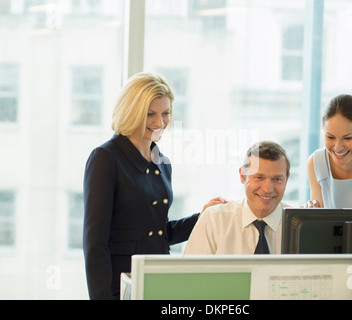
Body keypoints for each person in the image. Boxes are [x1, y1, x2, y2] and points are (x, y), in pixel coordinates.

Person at [83, 72, 226, 299]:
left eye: (166, 113)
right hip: (120, 286)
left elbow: (160, 232)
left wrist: (201, 218)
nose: (160, 123)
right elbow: (95, 242)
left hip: (158, 281)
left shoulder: (162, 161)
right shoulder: (105, 158)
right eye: (150, 114)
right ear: (132, 112)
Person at [184, 141, 291, 255]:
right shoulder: (214, 220)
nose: (268, 189)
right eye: (259, 177)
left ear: (287, 178)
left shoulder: (299, 225)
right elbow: (190, 272)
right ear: (242, 175)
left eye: (277, 179)